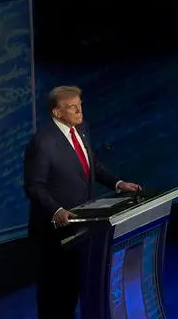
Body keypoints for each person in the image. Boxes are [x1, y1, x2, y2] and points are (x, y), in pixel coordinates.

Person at [23, 85, 141, 319]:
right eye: (72, 107)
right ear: (57, 113)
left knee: (73, 286)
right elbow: (34, 186)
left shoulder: (81, 129)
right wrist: (56, 209)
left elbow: (92, 165)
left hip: (81, 225)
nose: (79, 111)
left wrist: (118, 184)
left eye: (80, 105)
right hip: (53, 231)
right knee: (54, 292)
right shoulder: (43, 143)